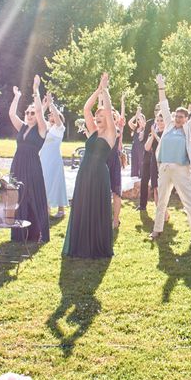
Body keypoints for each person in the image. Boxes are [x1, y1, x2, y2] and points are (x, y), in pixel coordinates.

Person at [149, 74, 191, 242]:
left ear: (186, 119)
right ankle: (157, 230)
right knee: (161, 201)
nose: (177, 119)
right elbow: (164, 104)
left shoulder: (189, 128)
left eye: (181, 117)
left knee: (188, 201)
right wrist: (161, 86)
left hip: (181, 169)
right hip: (165, 167)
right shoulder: (168, 125)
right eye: (176, 116)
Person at [63, 73, 116, 258]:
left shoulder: (111, 134)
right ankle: (80, 242)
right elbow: (86, 108)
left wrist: (106, 91)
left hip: (99, 174)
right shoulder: (93, 131)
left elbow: (108, 111)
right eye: (97, 115)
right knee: (82, 204)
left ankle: (94, 244)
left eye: (101, 115)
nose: (98, 116)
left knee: (96, 206)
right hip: (84, 172)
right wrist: (98, 90)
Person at [8, 75, 50, 242]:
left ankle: (39, 233)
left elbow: (40, 111)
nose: (30, 115)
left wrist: (35, 91)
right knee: (18, 195)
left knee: (34, 196)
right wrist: (17, 97)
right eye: (27, 112)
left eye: (32, 113)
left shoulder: (42, 128)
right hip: (17, 163)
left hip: (32, 165)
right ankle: (19, 233)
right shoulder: (22, 127)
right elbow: (11, 114)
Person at [39, 92, 68, 218]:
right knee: (44, 181)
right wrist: (44, 104)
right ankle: (46, 207)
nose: (51, 115)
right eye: (49, 114)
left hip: (54, 159)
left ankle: (61, 209)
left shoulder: (60, 128)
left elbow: (56, 116)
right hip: (43, 157)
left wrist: (51, 104)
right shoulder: (46, 127)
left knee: (57, 181)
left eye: (53, 114)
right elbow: (38, 116)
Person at [106, 95, 126, 229]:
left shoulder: (117, 130)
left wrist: (122, 102)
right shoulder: (102, 130)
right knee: (103, 192)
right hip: (103, 162)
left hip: (113, 161)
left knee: (116, 192)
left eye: (113, 118)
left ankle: (116, 219)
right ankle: (104, 217)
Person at [128, 106, 146, 178]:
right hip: (134, 147)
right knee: (134, 161)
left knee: (141, 161)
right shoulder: (135, 128)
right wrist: (136, 116)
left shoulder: (145, 128)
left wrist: (139, 114)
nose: (139, 120)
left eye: (140, 119)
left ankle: (142, 176)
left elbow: (143, 123)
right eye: (137, 119)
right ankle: (135, 175)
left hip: (141, 147)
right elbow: (129, 122)